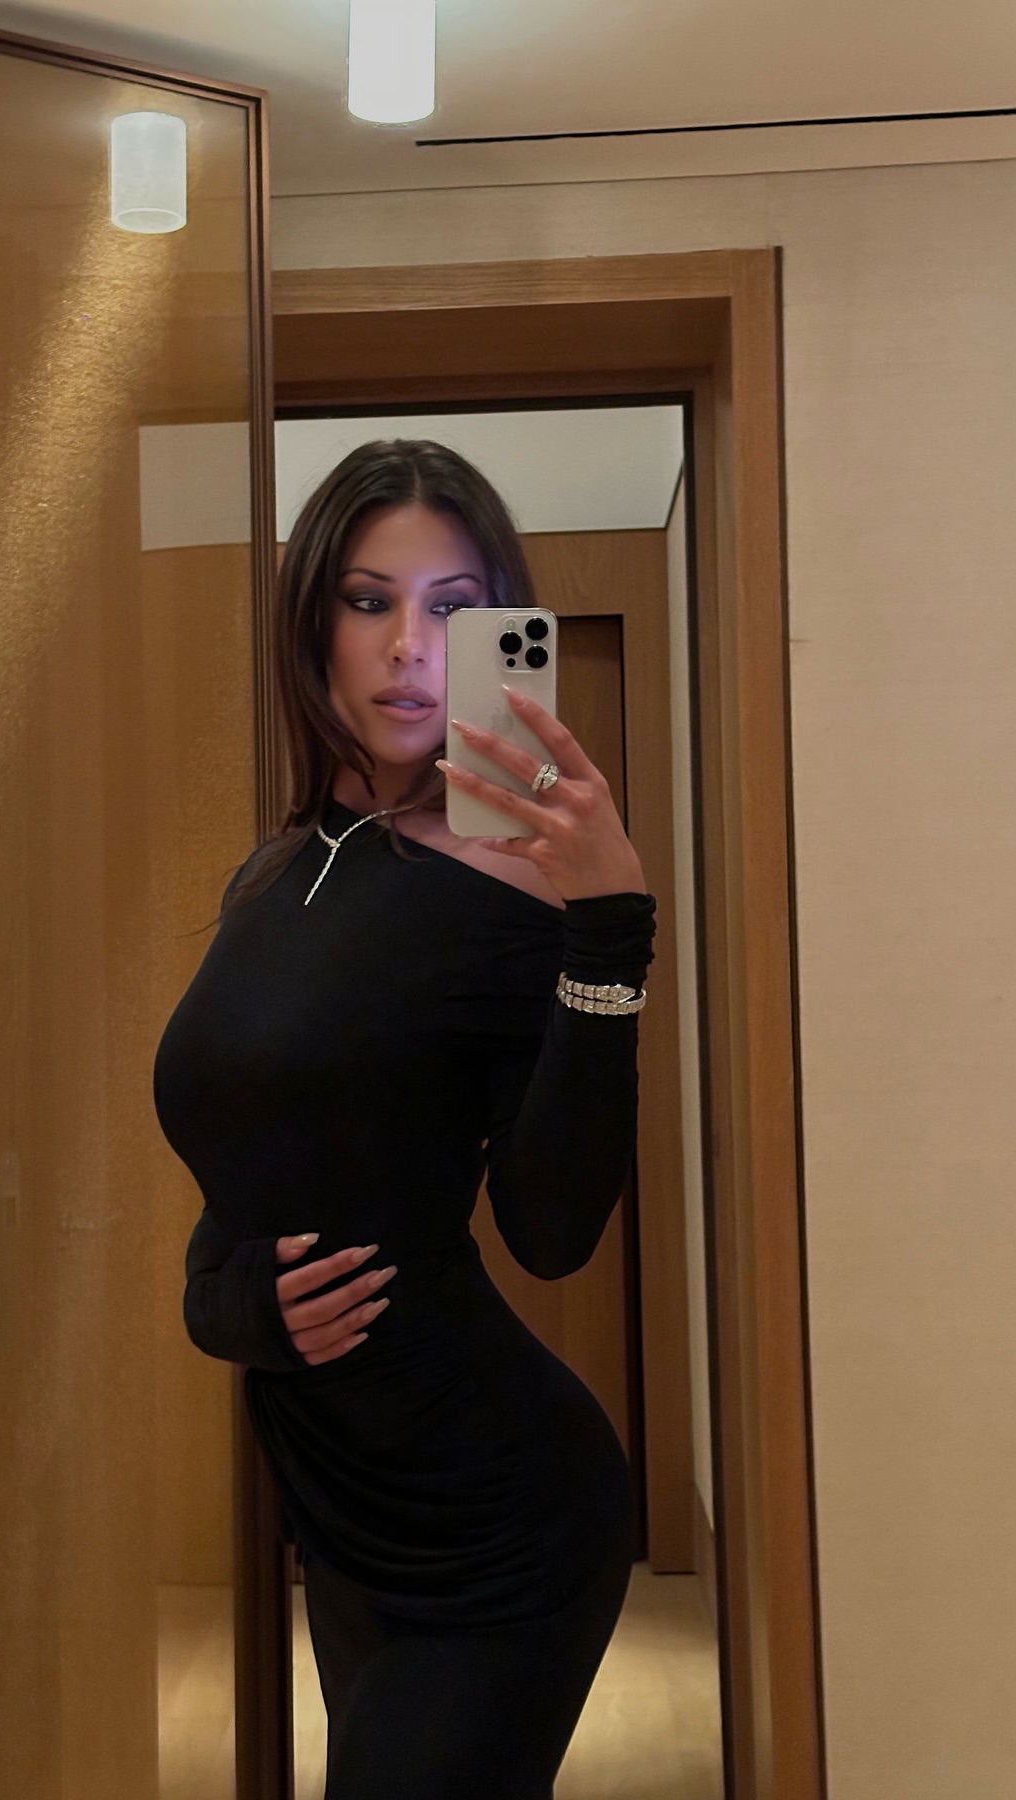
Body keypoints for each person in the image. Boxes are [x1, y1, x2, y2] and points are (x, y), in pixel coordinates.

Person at [152, 439, 657, 1799]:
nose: (408, 648)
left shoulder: (522, 886)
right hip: (346, 1517)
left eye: (454, 609)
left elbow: (551, 1232)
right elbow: (239, 1197)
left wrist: (608, 931)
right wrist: (230, 1311)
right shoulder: (273, 876)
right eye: (369, 600)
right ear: (312, 619)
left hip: (498, 1523)